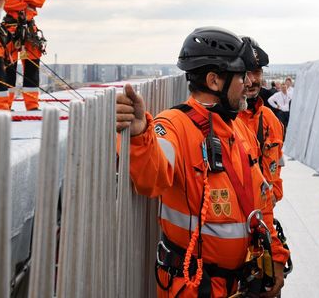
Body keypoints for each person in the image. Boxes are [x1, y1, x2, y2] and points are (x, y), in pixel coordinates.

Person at [116, 27, 289, 297]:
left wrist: (275, 257)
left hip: (240, 282)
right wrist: (140, 135)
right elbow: (152, 178)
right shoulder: (173, 125)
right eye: (241, 76)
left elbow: (261, 201)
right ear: (214, 81)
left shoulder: (238, 128)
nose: (247, 84)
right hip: (195, 286)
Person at [237, 37, 285, 204]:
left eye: (257, 72)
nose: (252, 80)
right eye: (246, 72)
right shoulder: (222, 121)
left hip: (264, 220)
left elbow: (277, 163)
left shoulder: (271, 119)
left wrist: (275, 194)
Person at [2, 0, 47, 111]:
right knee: (10, 68)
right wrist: (28, 0)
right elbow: (7, 3)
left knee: (32, 67)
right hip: (11, 28)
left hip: (29, 29)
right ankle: (6, 105)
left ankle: (32, 105)